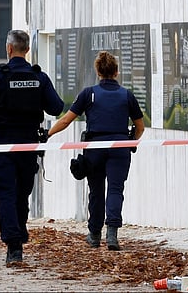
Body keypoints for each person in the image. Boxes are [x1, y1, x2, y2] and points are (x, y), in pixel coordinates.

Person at [0, 29, 64, 264]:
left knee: (5, 192)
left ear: (9, 49)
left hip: (5, 143)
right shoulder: (38, 77)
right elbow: (56, 107)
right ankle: (18, 236)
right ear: (27, 50)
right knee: (22, 193)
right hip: (29, 143)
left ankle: (14, 245)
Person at [48, 50, 145, 251]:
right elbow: (140, 127)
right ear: (116, 72)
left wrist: (47, 134)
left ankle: (94, 235)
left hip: (95, 148)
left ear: (97, 72)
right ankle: (112, 235)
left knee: (96, 191)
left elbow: (66, 120)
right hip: (120, 147)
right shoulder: (127, 95)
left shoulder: (89, 94)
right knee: (116, 190)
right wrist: (130, 142)